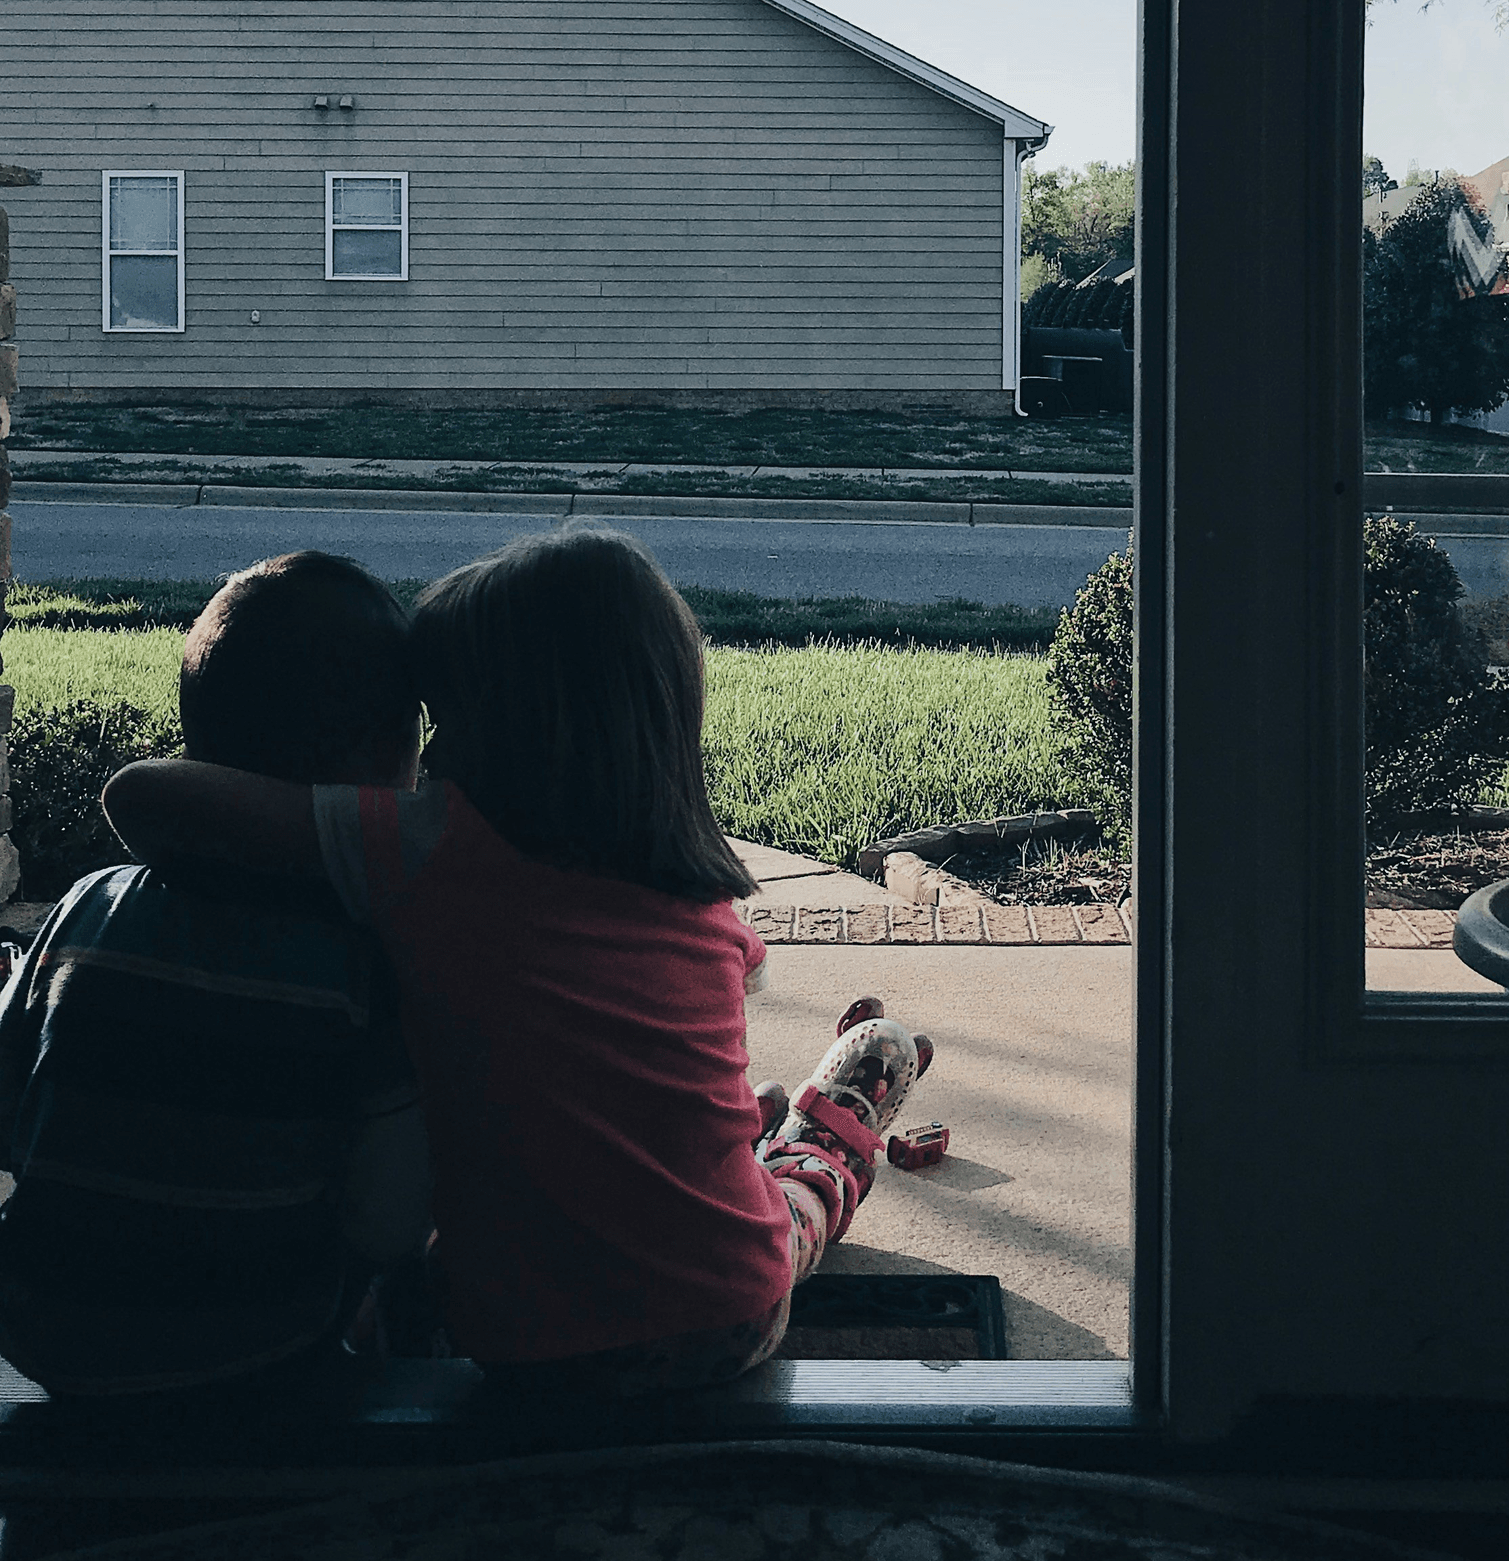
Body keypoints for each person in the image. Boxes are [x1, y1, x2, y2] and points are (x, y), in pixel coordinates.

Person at [102, 526, 934, 1397]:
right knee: (802, 1188)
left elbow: (139, 794)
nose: (435, 749)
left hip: (520, 1342)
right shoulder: (700, 899)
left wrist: (337, 809)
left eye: (444, 717)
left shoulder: (426, 846)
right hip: (729, 1312)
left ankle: (756, 1136)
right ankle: (841, 1109)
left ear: (500, 729)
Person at [0, 552, 433, 1399]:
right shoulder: (363, 959)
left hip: (42, 1333)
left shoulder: (87, 906)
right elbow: (388, 1223)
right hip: (254, 1358)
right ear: (390, 754)